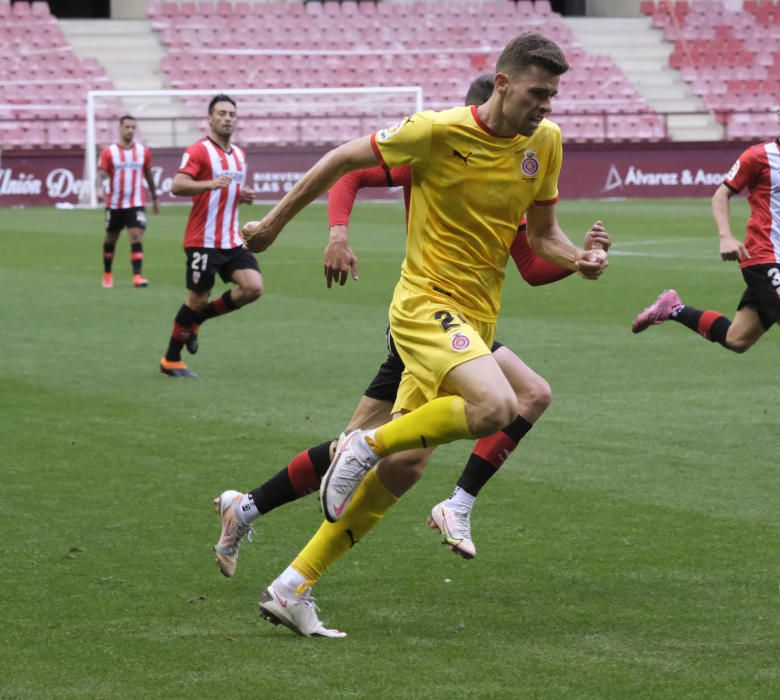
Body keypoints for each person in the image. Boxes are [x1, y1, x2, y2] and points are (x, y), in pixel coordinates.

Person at [240, 32, 609, 637]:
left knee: (408, 468)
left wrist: (580, 260)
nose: (546, 105)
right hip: (423, 305)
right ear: (503, 84)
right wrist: (274, 226)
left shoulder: (546, 142)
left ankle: (293, 587)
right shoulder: (436, 131)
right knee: (496, 405)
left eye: (554, 95)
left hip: (475, 317)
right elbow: (341, 161)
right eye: (538, 93)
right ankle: (364, 445)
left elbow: (542, 237)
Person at [632, 85, 780, 437]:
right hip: (763, 257)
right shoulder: (758, 156)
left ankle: (673, 308)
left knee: (737, 339)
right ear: (779, 113)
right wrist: (725, 235)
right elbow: (721, 194)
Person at [159, 94, 259, 378]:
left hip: (231, 238)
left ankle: (198, 320)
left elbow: (228, 192)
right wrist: (210, 183)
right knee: (196, 298)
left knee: (253, 287)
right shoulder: (199, 150)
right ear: (210, 119)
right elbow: (177, 185)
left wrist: (243, 195)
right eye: (222, 113)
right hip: (202, 240)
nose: (228, 118)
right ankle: (171, 359)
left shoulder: (239, 155)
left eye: (232, 114)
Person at [96, 115, 158, 288]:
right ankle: (107, 273)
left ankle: (137, 276)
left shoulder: (143, 151)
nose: (130, 130)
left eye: (133, 127)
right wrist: (99, 188)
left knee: (136, 236)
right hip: (115, 203)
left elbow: (148, 173)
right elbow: (101, 173)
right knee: (111, 239)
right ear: (120, 128)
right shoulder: (109, 152)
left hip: (136, 202)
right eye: (127, 127)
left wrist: (154, 196)